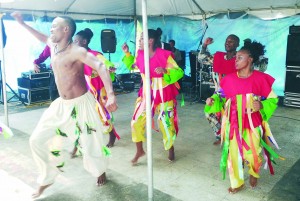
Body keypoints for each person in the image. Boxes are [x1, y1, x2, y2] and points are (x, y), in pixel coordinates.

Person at [11, 12, 117, 198]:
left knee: (91, 145)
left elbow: (100, 66)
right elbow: (39, 36)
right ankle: (47, 178)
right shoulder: (52, 46)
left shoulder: (76, 51)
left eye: (54, 26)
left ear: (66, 29)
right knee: (35, 140)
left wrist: (110, 95)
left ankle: (100, 170)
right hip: (61, 105)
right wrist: (21, 23)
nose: (51, 29)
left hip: (82, 104)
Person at [206, 41, 282, 193]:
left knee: (253, 153)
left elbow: (273, 99)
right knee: (233, 154)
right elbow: (220, 96)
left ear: (250, 59)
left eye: (240, 57)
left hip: (253, 124)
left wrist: (262, 106)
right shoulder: (228, 79)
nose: (236, 60)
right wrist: (213, 100)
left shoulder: (261, 78)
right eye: (236, 57)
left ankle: (254, 172)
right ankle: (237, 182)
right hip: (233, 123)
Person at [122, 29, 184, 165]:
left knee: (166, 125)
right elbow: (133, 65)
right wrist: (127, 53)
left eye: (142, 38)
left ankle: (170, 147)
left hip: (163, 94)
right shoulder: (140, 54)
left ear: (150, 40)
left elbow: (179, 72)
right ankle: (139, 150)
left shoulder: (165, 55)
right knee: (135, 121)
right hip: (146, 94)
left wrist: (165, 70)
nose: (139, 41)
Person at [73, 28, 120, 151]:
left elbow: (105, 64)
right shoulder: (76, 56)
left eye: (76, 41)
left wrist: (110, 67)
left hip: (99, 90)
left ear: (84, 42)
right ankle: (78, 143)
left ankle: (112, 134)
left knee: (103, 115)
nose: (73, 43)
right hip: (84, 91)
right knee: (81, 116)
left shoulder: (95, 54)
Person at [199, 34, 240, 145]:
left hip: (236, 94)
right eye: (227, 40)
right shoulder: (218, 56)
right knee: (210, 112)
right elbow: (201, 58)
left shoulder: (240, 58)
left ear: (237, 44)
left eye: (231, 41)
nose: (228, 43)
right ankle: (220, 134)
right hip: (220, 92)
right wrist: (205, 45)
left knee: (232, 117)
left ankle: (232, 139)